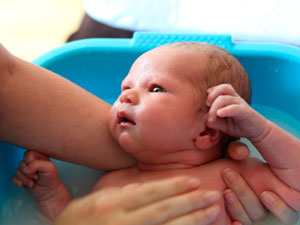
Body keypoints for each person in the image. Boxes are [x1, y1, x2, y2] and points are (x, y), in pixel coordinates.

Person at [13, 42, 300, 224]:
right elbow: (79, 220)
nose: (125, 97)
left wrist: (260, 131)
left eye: (156, 89)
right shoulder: (111, 185)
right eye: (125, 88)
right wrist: (52, 198)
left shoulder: (234, 174)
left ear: (207, 130)